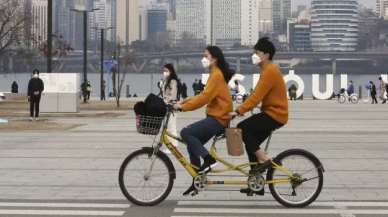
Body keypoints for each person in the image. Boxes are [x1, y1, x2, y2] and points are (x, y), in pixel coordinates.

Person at [228, 37, 288, 195]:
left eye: (257, 52)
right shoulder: (267, 70)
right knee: (251, 144)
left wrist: (238, 111)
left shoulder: (269, 71)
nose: (253, 55)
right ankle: (257, 183)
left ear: (266, 55)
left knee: (242, 128)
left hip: (275, 114)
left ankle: (264, 161)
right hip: (272, 113)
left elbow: (256, 97)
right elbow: (256, 96)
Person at [173, 46, 234, 196]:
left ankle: (209, 160)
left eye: (206, 56)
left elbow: (203, 99)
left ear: (214, 59)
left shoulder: (216, 75)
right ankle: (197, 181)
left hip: (219, 119)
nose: (203, 59)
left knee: (186, 132)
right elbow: (203, 95)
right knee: (191, 145)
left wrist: (182, 108)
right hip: (216, 118)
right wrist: (183, 102)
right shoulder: (215, 74)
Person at [162, 63, 179, 154]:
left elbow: (173, 95)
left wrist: (167, 100)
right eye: (164, 71)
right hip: (167, 106)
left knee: (172, 127)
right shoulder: (166, 81)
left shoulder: (173, 81)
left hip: (171, 107)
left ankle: (174, 147)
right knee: (168, 127)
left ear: (171, 71)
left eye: (166, 71)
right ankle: (170, 146)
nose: (164, 72)